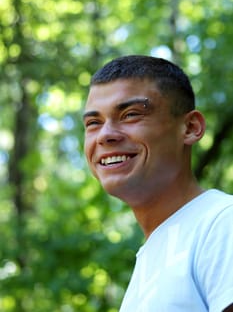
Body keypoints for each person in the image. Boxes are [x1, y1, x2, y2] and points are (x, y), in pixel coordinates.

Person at [83, 55, 233, 312]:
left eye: (130, 115)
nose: (105, 135)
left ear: (190, 128)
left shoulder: (221, 223)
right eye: (93, 123)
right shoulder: (154, 253)